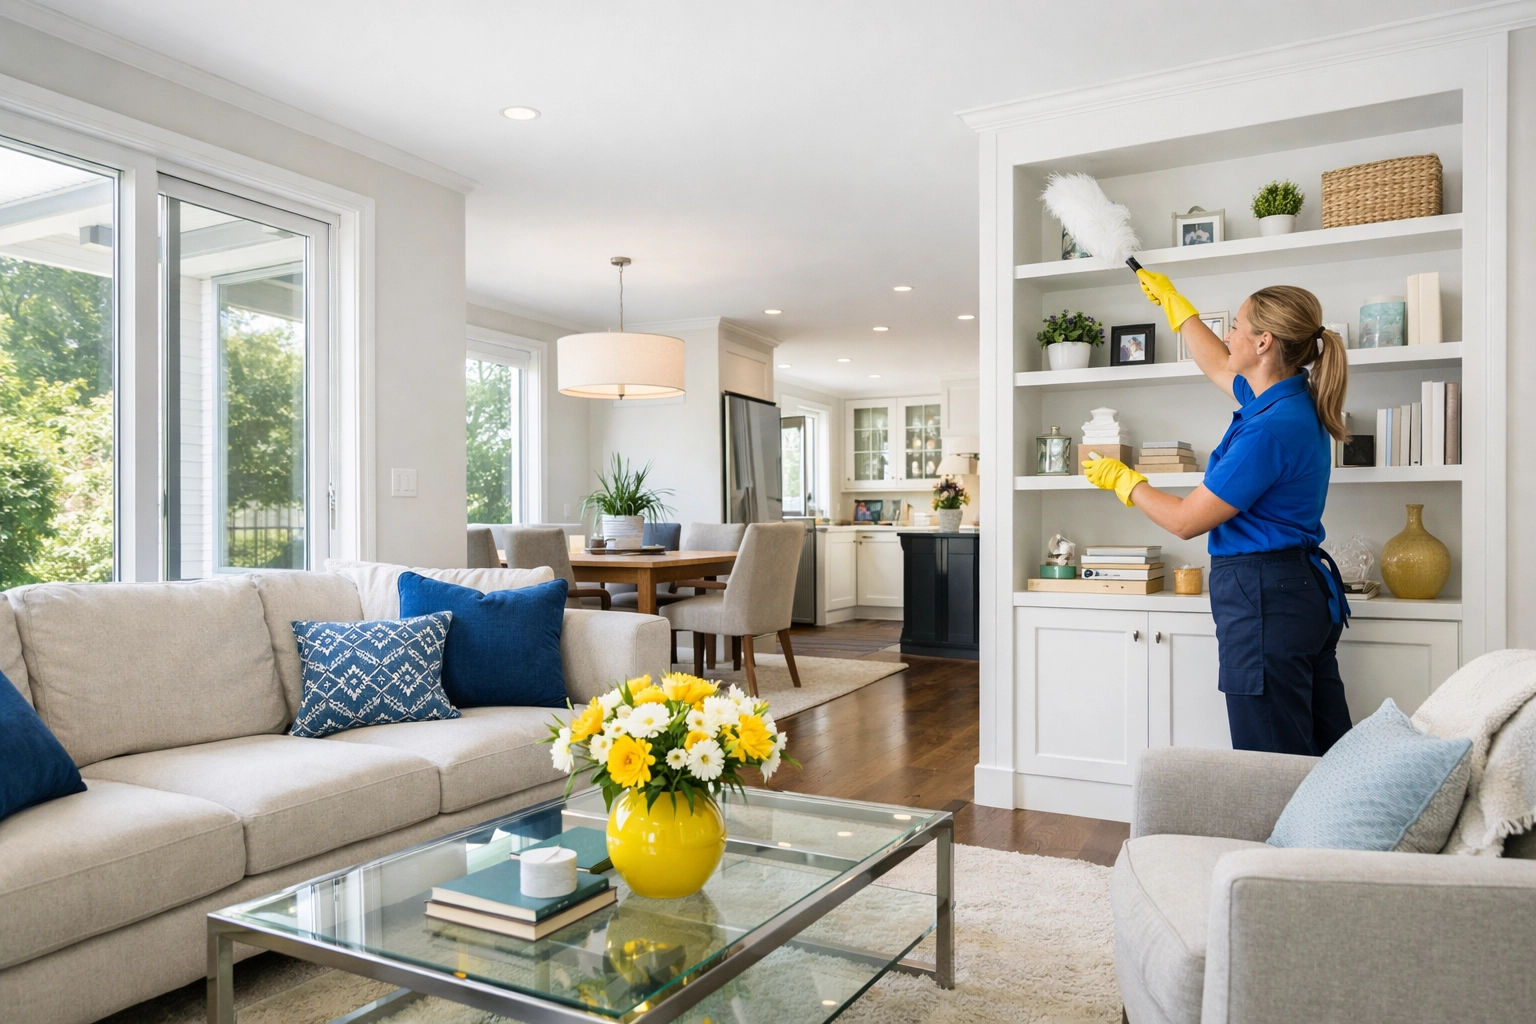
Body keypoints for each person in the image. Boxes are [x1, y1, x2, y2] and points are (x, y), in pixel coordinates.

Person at [1084, 272, 1353, 756]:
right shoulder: (1286, 399)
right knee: (1320, 751)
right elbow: (1216, 365)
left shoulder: (1269, 429)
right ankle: (1326, 835)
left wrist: (1125, 481)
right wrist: (1178, 308)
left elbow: (1187, 520)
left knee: (1269, 760)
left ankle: (1282, 836)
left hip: (1265, 599)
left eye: (1237, 325)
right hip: (1293, 594)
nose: (1228, 333)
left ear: (1264, 342)